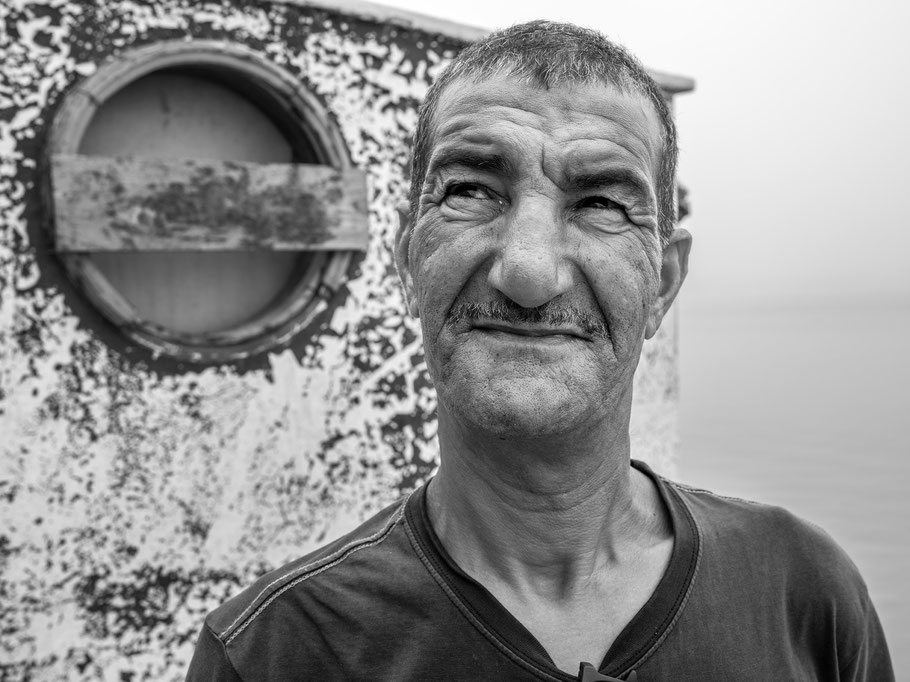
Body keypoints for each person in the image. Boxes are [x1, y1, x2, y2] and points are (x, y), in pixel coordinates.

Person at [186, 20, 893, 682]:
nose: (529, 271)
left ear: (664, 284)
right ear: (409, 265)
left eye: (601, 205)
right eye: (470, 191)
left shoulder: (802, 591)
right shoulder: (274, 651)